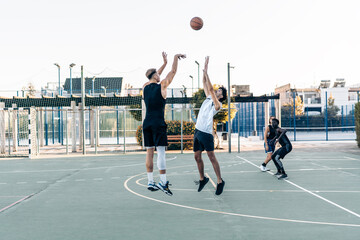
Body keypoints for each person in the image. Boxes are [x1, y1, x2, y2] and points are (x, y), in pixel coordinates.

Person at [143, 52, 186, 196]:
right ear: (155, 76)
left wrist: (164, 64)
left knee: (149, 152)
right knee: (160, 152)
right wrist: (174, 58)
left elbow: (153, 77)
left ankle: (150, 181)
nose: (160, 75)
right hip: (158, 123)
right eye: (158, 74)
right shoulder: (162, 85)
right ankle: (162, 181)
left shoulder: (145, 87)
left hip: (147, 123)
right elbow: (173, 72)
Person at [193, 56, 227, 195]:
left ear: (222, 96)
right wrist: (204, 71)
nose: (217, 90)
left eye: (220, 91)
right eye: (218, 89)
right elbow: (205, 83)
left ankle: (220, 181)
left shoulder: (218, 104)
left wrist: (207, 73)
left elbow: (211, 90)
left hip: (206, 133)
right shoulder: (208, 97)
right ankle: (203, 179)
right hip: (197, 131)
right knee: (197, 156)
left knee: (211, 157)